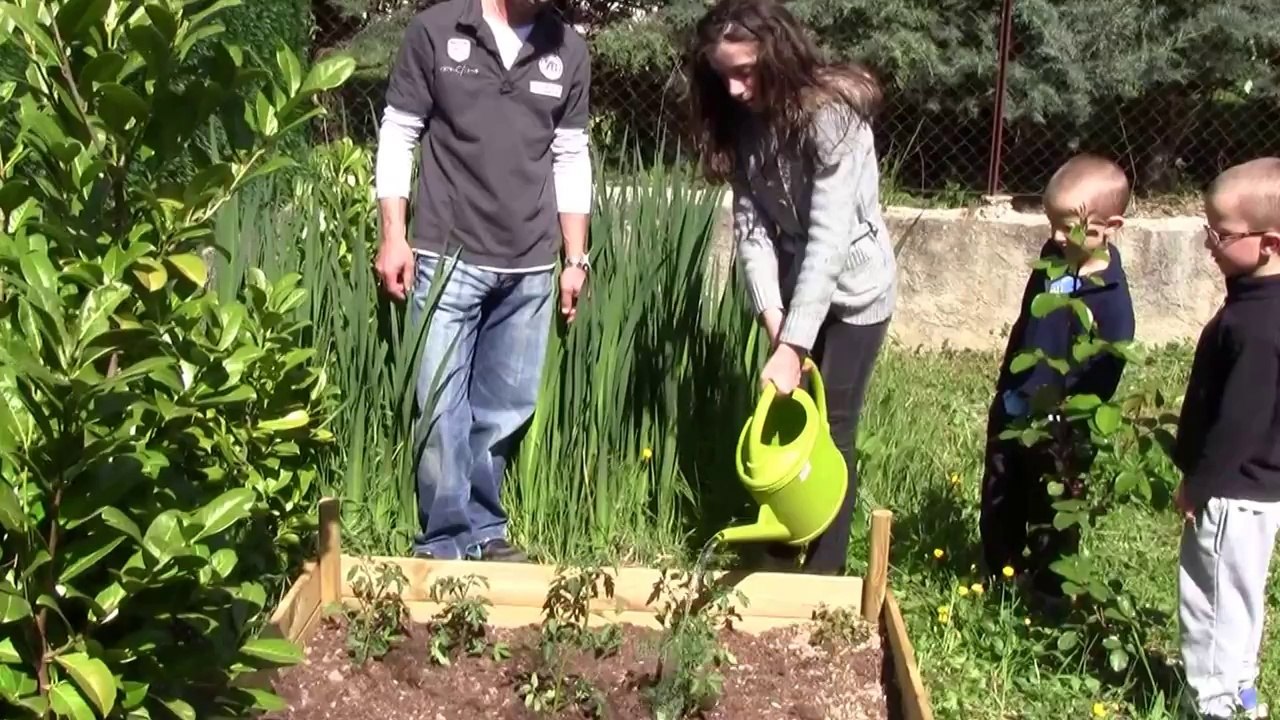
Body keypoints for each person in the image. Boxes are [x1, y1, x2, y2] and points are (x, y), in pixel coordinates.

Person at [374, 0, 594, 561]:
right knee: (441, 404)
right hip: (447, 256)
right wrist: (393, 235)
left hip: (529, 266)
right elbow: (399, 133)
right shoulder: (438, 29)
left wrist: (575, 258)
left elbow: (571, 157)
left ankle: (484, 531)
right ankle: (442, 541)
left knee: (506, 408)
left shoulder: (567, 48)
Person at [686, 0, 897, 574]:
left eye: (746, 71)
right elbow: (752, 232)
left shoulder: (833, 119)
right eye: (723, 73)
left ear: (778, 58)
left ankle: (824, 571)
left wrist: (793, 345)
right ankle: (780, 551)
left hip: (854, 293)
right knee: (784, 417)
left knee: (834, 425)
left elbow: (829, 240)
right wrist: (773, 318)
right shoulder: (743, 125)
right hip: (793, 292)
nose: (733, 87)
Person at [978, 154, 1135, 598]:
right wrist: (1009, 382)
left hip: (1063, 425)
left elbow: (1103, 375)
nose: (1055, 235)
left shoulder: (1112, 303)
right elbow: (1028, 320)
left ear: (1111, 226)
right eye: (1051, 223)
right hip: (1016, 403)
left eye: (1069, 226)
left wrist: (1068, 423)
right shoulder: (1053, 259)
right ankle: (1000, 573)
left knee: (1054, 502)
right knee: (1000, 488)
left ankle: (1049, 587)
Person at [1172, 157, 1280, 720]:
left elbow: (1240, 420)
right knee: (1239, 596)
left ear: (1269, 243)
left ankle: (1214, 704)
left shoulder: (1257, 327)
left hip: (1233, 494)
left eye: (1222, 233)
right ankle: (1241, 690)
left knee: (1212, 599)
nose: (1210, 242)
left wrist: (1199, 483)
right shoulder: (1259, 303)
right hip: (1257, 492)